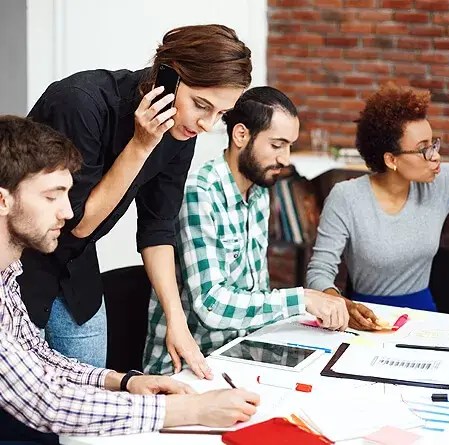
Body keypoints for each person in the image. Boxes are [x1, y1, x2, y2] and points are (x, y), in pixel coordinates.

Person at [0, 116, 259, 443]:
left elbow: (39, 360)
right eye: (52, 197)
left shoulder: (9, 274)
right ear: (3, 201)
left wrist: (125, 382)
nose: (68, 212)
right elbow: (46, 401)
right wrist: (192, 410)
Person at [19, 24, 252, 376]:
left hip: (76, 270)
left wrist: (177, 321)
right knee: (31, 406)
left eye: (220, 114)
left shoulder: (179, 130)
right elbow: (79, 223)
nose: (206, 124)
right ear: (167, 76)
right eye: (202, 105)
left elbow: (158, 228)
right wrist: (141, 146)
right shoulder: (81, 103)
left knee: (91, 392)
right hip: (19, 268)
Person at [143, 86, 379, 373]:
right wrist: (302, 299)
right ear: (241, 135)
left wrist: (325, 303)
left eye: (289, 146)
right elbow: (212, 306)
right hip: (188, 366)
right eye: (277, 145)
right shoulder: (200, 192)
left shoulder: (258, 192)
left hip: (242, 352)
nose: (285, 159)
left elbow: (256, 291)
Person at [306, 84, 449, 311]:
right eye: (424, 149)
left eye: (434, 144)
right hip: (367, 318)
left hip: (423, 319)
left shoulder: (440, 182)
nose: (436, 156)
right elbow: (319, 272)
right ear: (391, 160)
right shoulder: (346, 197)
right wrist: (342, 305)